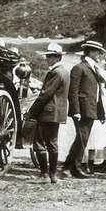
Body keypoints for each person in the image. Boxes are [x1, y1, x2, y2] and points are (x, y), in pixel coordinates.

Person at [25, 43, 69, 184]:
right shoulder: (64, 71)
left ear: (57, 57)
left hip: (47, 112)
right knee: (52, 143)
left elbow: (45, 95)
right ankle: (53, 175)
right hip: (56, 113)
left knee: (39, 142)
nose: (47, 59)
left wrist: (31, 112)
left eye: (50, 56)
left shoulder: (56, 73)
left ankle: (45, 174)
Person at [61, 40, 106, 178]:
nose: (100, 56)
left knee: (81, 139)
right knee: (82, 138)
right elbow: (72, 91)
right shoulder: (79, 68)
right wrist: (76, 111)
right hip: (82, 110)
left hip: (91, 110)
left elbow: (97, 93)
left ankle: (68, 167)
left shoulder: (93, 68)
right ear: (92, 52)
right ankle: (75, 167)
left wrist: (101, 113)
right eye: (99, 53)